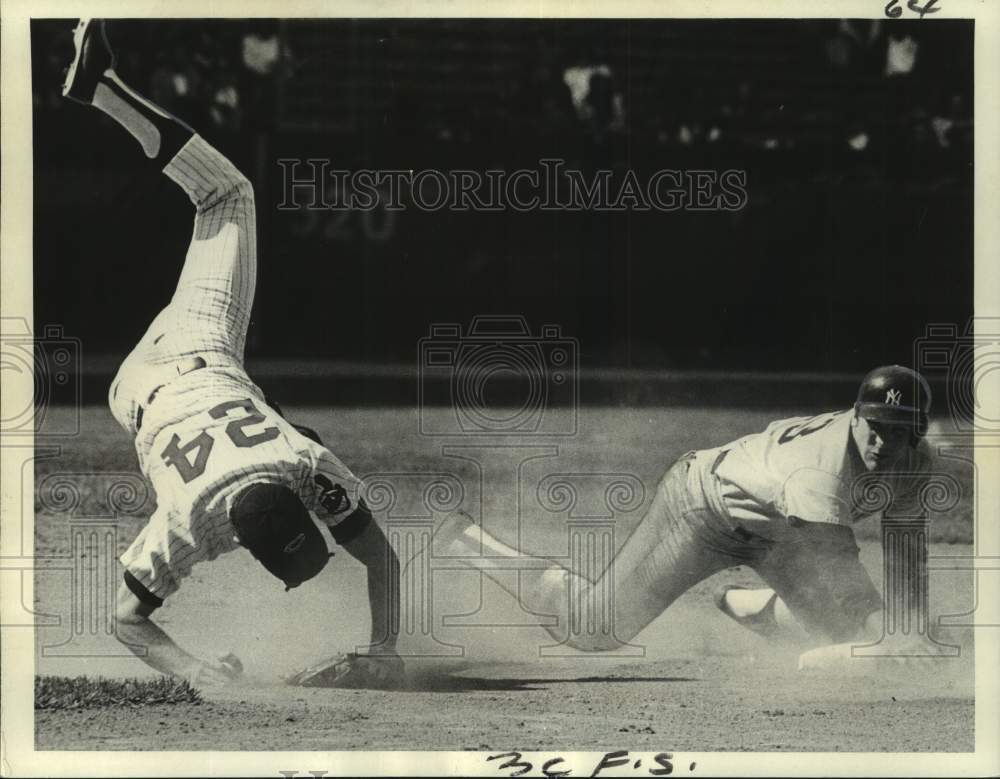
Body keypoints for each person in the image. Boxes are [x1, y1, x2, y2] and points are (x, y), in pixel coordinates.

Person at [62, 19, 402, 686]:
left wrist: (196, 671)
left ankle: (103, 87)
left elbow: (125, 619)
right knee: (229, 197)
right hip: (133, 395)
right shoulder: (194, 516)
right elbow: (125, 616)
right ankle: (98, 86)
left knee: (226, 194)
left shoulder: (295, 461)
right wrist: (382, 648)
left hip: (197, 350)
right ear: (245, 541)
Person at [435, 365, 937, 669]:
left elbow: (908, 552)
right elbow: (843, 576)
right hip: (702, 508)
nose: (882, 441)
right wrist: (896, 633)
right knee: (592, 630)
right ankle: (467, 541)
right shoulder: (817, 471)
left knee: (856, 639)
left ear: (917, 432)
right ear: (856, 416)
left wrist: (909, 625)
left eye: (897, 431)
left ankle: (748, 606)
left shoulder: (917, 464)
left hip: (779, 532)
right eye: (874, 426)